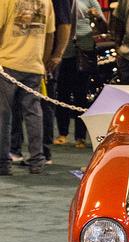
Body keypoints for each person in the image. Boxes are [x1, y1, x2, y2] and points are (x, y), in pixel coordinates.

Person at [10, 0, 74, 165]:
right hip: (26, 57)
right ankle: (18, 149)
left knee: (41, 106)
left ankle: (42, 153)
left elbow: (64, 24)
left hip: (42, 60)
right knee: (20, 106)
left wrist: (57, 55)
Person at [0, 0, 56, 175]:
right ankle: (37, 160)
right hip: (34, 64)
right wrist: (43, 62)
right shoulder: (47, 2)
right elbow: (50, 35)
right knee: (34, 114)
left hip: (7, 62)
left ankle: (3, 163)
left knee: (4, 115)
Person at [54, 0, 105, 148]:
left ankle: (80, 137)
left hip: (84, 52)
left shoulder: (90, 1)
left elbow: (103, 26)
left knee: (81, 96)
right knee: (62, 94)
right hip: (64, 53)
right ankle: (62, 133)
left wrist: (96, 17)